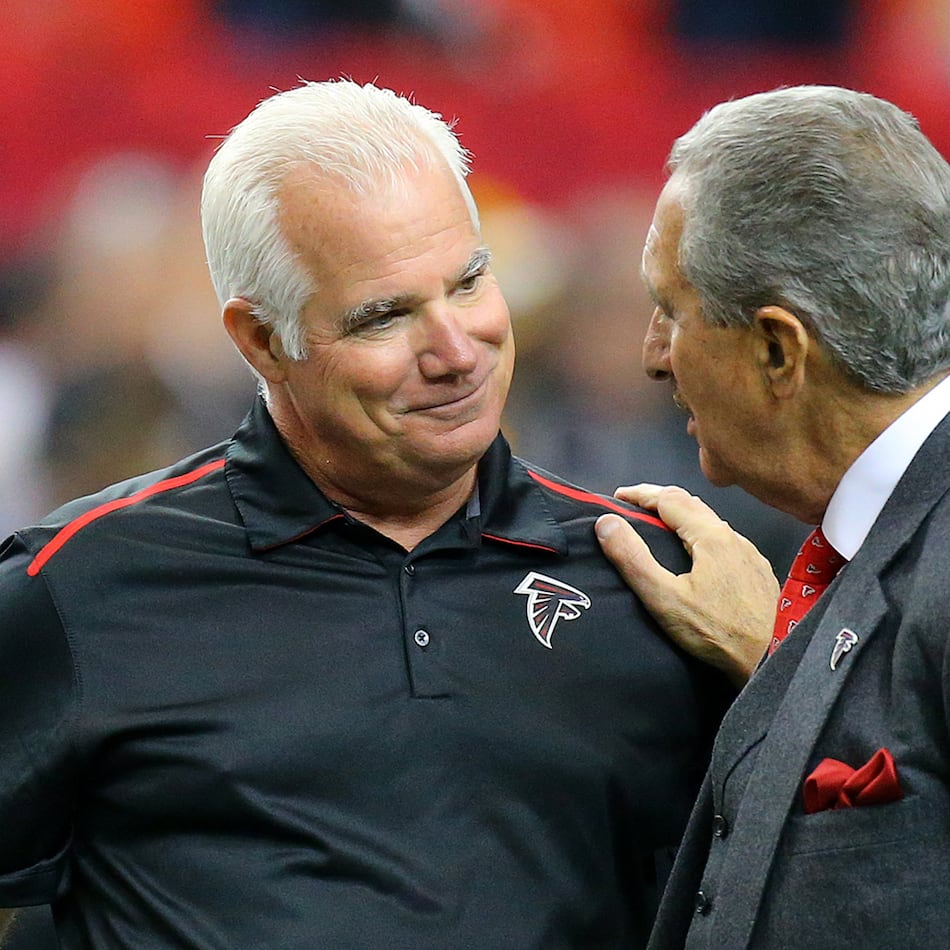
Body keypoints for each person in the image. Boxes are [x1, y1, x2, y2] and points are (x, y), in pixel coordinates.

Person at [0, 80, 733, 949]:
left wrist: (771, 665)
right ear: (263, 340)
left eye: (468, 283)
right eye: (385, 316)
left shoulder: (655, 580)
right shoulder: (74, 588)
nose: (457, 352)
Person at [594, 85, 950, 948]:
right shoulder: (869, 543)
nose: (652, 355)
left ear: (776, 350)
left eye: (671, 311)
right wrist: (775, 664)